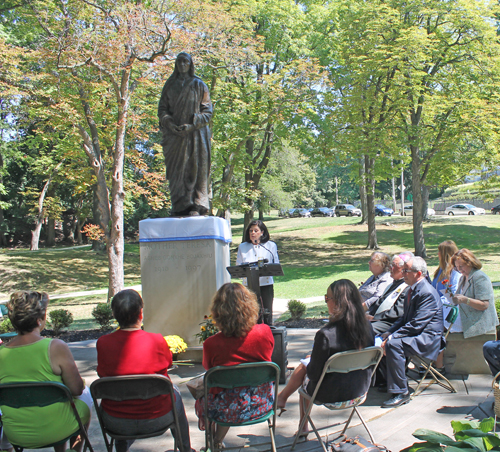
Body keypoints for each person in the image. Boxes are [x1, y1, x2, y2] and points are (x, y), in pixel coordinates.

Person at [96, 289, 193, 452]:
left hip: (116, 421)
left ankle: (121, 448)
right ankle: (185, 449)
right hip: (158, 417)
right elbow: (168, 363)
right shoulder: (156, 340)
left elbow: (102, 373)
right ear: (141, 313)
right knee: (174, 393)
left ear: (114, 314)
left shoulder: (103, 343)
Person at [276, 280, 374, 438]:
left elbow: (314, 374)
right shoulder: (368, 328)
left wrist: (313, 360)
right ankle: (283, 400)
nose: (326, 302)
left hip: (329, 395)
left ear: (337, 303)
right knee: (307, 364)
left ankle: (302, 425)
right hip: (359, 392)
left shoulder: (326, 334)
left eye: (327, 299)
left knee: (304, 372)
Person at [0, 291, 91, 452]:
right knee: (86, 396)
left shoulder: (1, 353)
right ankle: (75, 450)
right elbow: (77, 389)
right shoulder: (55, 346)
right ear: (39, 320)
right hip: (57, 428)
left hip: (17, 435)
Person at [195, 283, 275, 448]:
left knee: (210, 390)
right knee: (232, 390)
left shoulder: (211, 344)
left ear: (218, 311)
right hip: (261, 404)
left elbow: (208, 369)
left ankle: (214, 441)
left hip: (225, 410)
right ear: (251, 306)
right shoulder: (265, 332)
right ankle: (216, 441)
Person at [381, 256, 443, 408]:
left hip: (428, 339)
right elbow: (404, 319)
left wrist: (393, 338)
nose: (403, 273)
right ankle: (389, 382)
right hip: (417, 334)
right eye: (403, 270)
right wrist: (389, 332)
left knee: (393, 345)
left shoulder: (426, 292)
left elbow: (417, 324)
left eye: (406, 270)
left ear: (419, 274)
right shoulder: (412, 289)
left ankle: (401, 392)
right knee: (383, 339)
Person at [158, 52, 213, 216]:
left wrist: (192, 124)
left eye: (185, 62)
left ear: (190, 64)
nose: (182, 64)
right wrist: (169, 123)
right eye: (179, 62)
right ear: (176, 64)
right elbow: (162, 110)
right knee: (177, 171)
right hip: (175, 137)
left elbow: (208, 112)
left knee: (194, 168)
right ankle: (180, 205)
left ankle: (196, 205)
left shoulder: (199, 85)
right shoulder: (170, 86)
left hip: (195, 136)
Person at [236, 220, 279, 325]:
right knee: (251, 312)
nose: (253, 233)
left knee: (267, 311)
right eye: (251, 231)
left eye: (256, 230)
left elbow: (276, 264)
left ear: (262, 232)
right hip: (249, 285)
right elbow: (238, 266)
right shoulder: (243, 246)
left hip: (266, 284)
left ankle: (268, 330)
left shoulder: (270, 246)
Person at [450, 248, 498, 339]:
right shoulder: (462, 278)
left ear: (470, 263)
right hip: (466, 318)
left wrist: (465, 300)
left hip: (479, 323)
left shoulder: (480, 277)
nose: (459, 269)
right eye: (457, 267)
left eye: (462, 266)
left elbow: (484, 305)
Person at [366, 254, 409, 335]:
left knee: (361, 329)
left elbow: (397, 312)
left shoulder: (406, 287)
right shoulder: (392, 284)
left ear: (403, 268)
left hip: (389, 323)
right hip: (378, 319)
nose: (390, 268)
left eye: (393, 265)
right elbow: (379, 302)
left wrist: (374, 318)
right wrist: (368, 314)